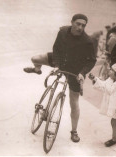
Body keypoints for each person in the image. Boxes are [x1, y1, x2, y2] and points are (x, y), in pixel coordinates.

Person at [24, 14, 96, 142]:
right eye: (78, 24)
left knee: (74, 102)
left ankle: (74, 131)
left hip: (75, 70)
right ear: (72, 22)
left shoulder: (88, 41)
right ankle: (37, 69)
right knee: (35, 59)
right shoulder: (63, 31)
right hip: (61, 61)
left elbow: (91, 61)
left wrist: (82, 73)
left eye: (83, 25)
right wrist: (57, 65)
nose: (80, 27)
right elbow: (56, 48)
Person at [88, 63, 116, 147]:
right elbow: (103, 85)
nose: (109, 71)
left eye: (112, 70)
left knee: (113, 122)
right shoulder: (110, 80)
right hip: (115, 107)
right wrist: (95, 79)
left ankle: (114, 139)